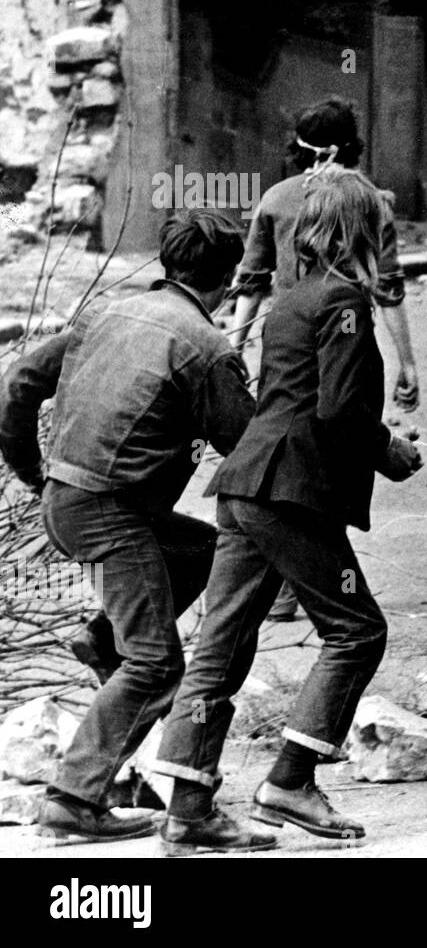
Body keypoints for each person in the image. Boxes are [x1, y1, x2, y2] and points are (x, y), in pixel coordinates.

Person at [151, 168, 423, 855]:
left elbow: (292, 398)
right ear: (363, 229)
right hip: (291, 493)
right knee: (357, 631)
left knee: (221, 646)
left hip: (245, 487)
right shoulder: (345, 302)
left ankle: (187, 811)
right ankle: (290, 782)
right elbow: (337, 412)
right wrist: (388, 447)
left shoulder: (292, 297)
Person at [0, 211, 254, 844]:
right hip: (110, 515)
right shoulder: (205, 345)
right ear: (228, 278)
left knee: (203, 549)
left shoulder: (106, 312)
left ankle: (103, 639)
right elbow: (251, 450)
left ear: (168, 263)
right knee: (157, 664)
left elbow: (17, 383)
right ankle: (72, 798)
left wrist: (35, 474)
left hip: (74, 502)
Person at [229, 96, 420, 623]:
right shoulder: (366, 200)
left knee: (288, 440)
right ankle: (305, 585)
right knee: (326, 441)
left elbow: (251, 283)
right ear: (348, 143)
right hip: (338, 324)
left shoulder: (274, 198)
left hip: (284, 335)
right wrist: (408, 364)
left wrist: (234, 347)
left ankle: (285, 586)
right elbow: (390, 288)